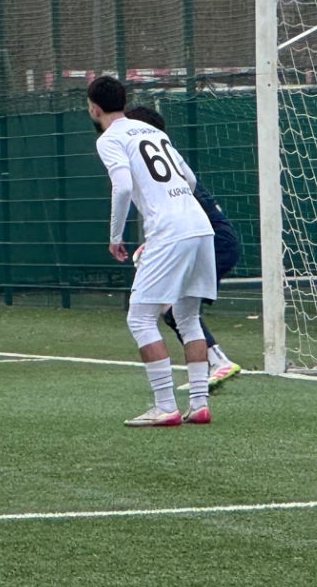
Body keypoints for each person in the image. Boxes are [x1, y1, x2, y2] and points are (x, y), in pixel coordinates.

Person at [88, 75, 219, 426]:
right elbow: (189, 180)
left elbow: (122, 187)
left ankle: (165, 405)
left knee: (140, 318)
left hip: (170, 230)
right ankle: (199, 404)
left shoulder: (109, 138)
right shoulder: (153, 131)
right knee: (188, 318)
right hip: (199, 225)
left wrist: (115, 236)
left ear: (94, 108)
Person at [123, 105, 242, 388]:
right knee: (176, 311)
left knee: (172, 311)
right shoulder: (165, 166)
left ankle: (217, 363)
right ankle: (213, 366)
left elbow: (181, 219)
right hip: (210, 241)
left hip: (212, 243)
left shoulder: (162, 172)